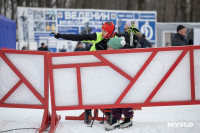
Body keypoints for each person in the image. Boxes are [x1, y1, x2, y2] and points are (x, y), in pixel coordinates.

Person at [105, 37, 133, 131]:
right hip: (113, 84)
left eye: (110, 47)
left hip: (124, 84)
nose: (108, 49)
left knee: (125, 100)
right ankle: (115, 119)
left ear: (116, 47)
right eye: (107, 47)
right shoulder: (108, 56)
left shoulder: (123, 56)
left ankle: (128, 119)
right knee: (114, 100)